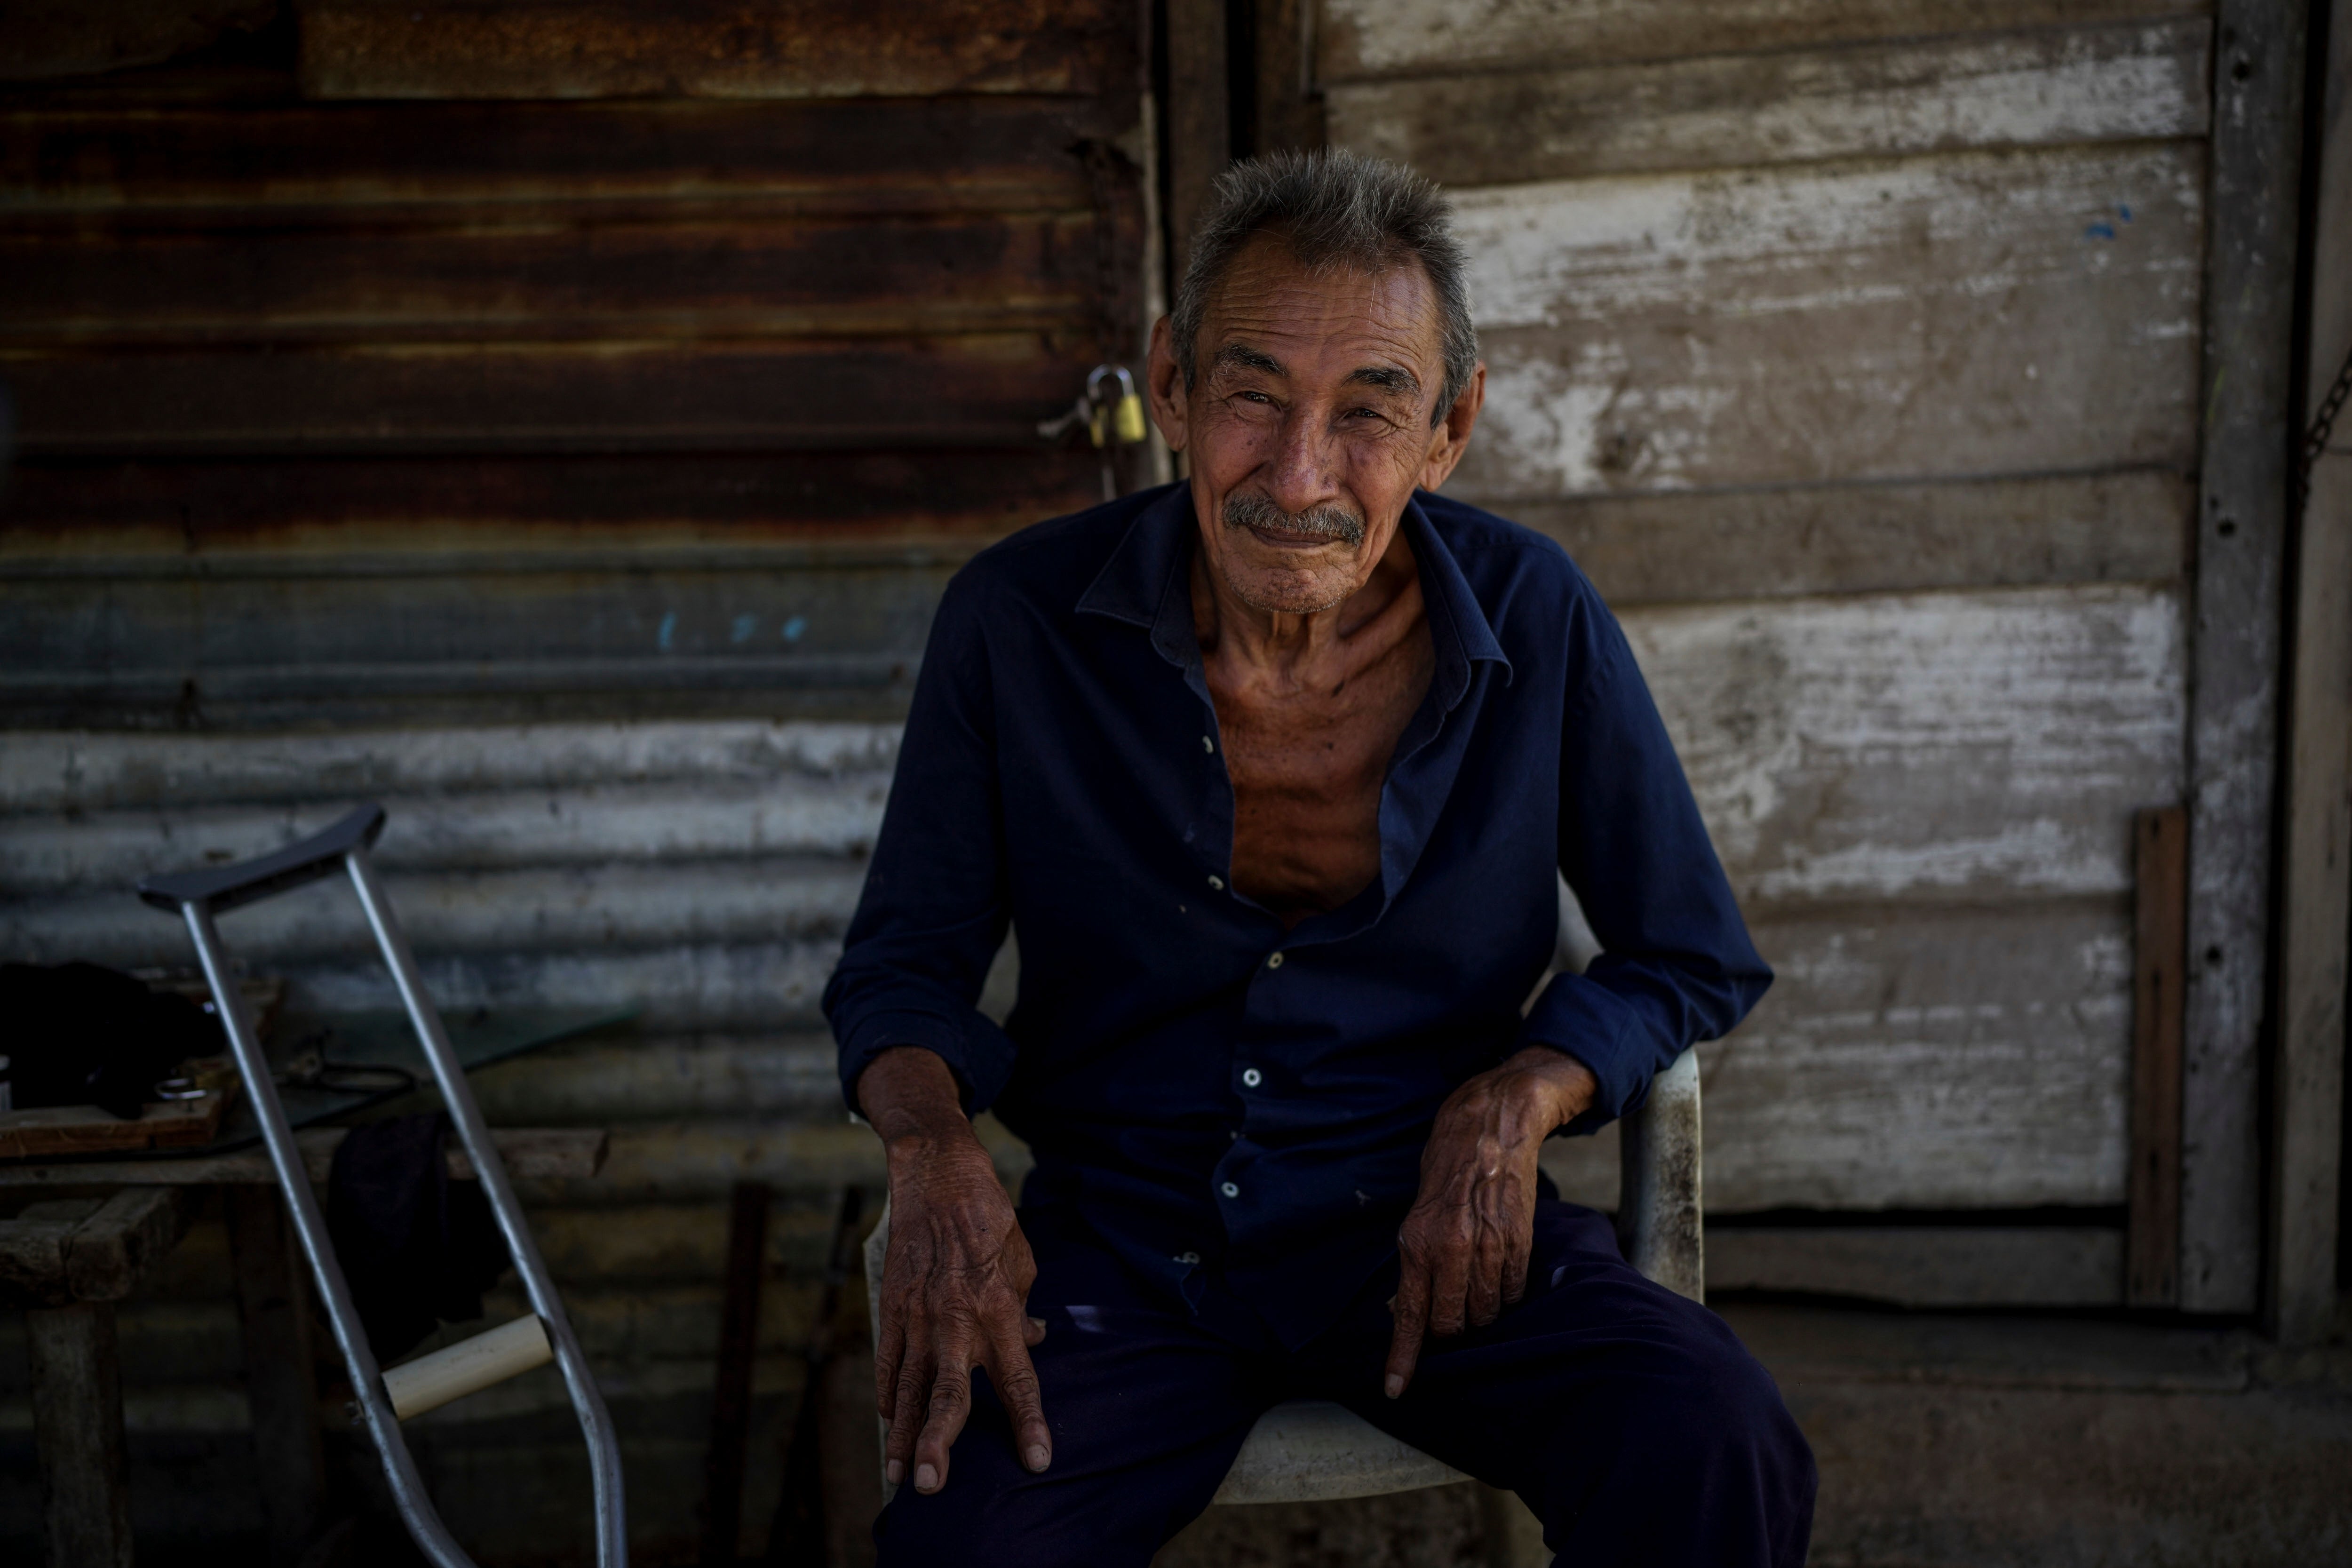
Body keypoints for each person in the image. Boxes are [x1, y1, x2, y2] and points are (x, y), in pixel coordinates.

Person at [825, 148, 1815, 1566]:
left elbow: (1689, 950)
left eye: (1370, 411)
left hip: (1434, 1236)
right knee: (958, 1547)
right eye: (1251, 396)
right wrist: (931, 1154)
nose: (1301, 476)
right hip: (1125, 1254)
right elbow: (903, 971)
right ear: (1171, 384)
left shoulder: (1536, 618)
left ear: (1451, 427)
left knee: (1714, 1441)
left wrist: (1523, 1094)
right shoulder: (1015, 622)